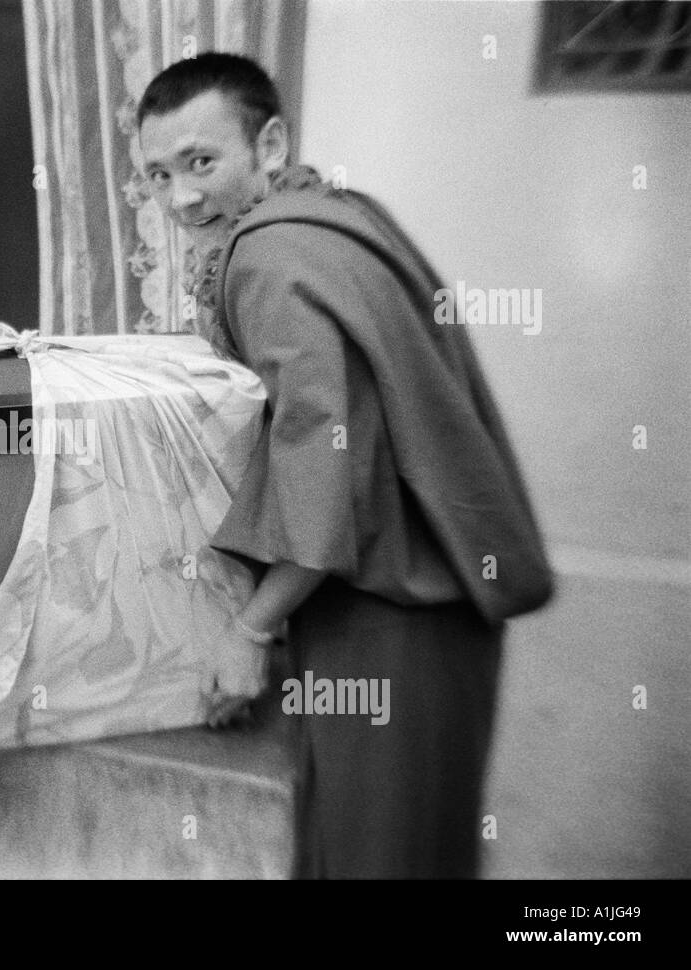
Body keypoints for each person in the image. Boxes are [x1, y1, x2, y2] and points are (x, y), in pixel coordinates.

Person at [137, 52, 553, 878]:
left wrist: (250, 630)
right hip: (440, 609)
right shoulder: (338, 217)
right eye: (156, 175)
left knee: (372, 858)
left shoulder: (268, 255)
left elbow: (323, 456)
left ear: (272, 143)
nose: (180, 198)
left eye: (201, 162)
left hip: (386, 617)